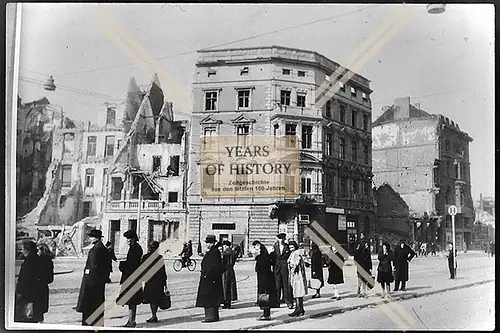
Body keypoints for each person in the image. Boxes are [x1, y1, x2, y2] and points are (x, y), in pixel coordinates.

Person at [76, 229, 110, 326]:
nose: (90, 238)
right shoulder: (103, 249)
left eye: (92, 237)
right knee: (97, 306)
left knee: (89, 306)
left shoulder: (95, 250)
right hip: (99, 282)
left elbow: (92, 267)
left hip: (92, 283)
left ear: (97, 238)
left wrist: (88, 281)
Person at [116, 230, 144, 327]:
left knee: (132, 300)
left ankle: (131, 321)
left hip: (132, 277)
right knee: (131, 300)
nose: (127, 240)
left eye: (129, 238)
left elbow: (132, 264)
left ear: (134, 238)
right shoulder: (135, 247)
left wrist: (122, 265)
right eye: (127, 238)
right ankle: (131, 320)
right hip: (133, 277)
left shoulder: (135, 248)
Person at [195, 235, 223, 323]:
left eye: (208, 243)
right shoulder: (213, 251)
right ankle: (214, 316)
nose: (207, 244)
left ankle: (210, 317)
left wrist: (207, 274)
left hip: (210, 279)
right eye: (206, 243)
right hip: (211, 279)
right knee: (212, 298)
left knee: (208, 298)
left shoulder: (214, 252)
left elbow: (214, 265)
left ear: (213, 243)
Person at [15, 241, 42, 323]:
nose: (22, 251)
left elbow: (25, 279)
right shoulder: (38, 259)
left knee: (26, 315)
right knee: (33, 316)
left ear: (28, 250)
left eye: (23, 249)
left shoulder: (28, 262)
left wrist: (19, 292)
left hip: (27, 294)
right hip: (35, 293)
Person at [141, 241, 167, 323]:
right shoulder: (159, 257)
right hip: (158, 281)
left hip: (149, 281)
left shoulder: (145, 257)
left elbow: (142, 269)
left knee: (152, 299)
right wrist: (165, 283)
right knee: (155, 299)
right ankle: (154, 315)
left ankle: (154, 316)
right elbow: (163, 271)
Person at [252, 240, 279, 320]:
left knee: (265, 297)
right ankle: (266, 314)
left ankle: (266, 315)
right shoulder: (264, 256)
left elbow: (262, 269)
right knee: (265, 296)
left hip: (265, 279)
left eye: (256, 247)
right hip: (265, 278)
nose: (255, 250)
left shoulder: (262, 257)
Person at [271, 233, 293, 309]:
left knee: (285, 285)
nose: (281, 240)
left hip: (284, 267)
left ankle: (288, 302)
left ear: (284, 239)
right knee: (277, 286)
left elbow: (290, 255)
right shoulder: (275, 246)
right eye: (280, 238)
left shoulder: (287, 246)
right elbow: (273, 257)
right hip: (277, 267)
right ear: (278, 239)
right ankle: (276, 302)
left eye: (282, 239)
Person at [287, 240, 307, 317]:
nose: (291, 249)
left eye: (292, 247)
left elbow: (296, 262)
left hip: (297, 275)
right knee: (298, 292)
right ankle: (301, 308)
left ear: (295, 246)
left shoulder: (296, 253)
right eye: (290, 248)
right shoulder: (293, 253)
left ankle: (298, 309)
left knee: (297, 292)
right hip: (295, 275)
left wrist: (293, 266)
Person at [36, 243, 54, 322]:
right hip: (44, 286)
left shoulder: (40, 260)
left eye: (37, 250)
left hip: (38, 286)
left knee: (37, 307)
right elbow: (50, 278)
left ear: (41, 250)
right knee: (41, 309)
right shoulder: (49, 260)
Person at [221, 240, 238, 309]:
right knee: (231, 286)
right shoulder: (234, 253)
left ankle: (225, 302)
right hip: (231, 270)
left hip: (225, 271)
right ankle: (229, 302)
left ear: (225, 246)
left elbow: (222, 262)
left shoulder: (224, 253)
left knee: (225, 286)